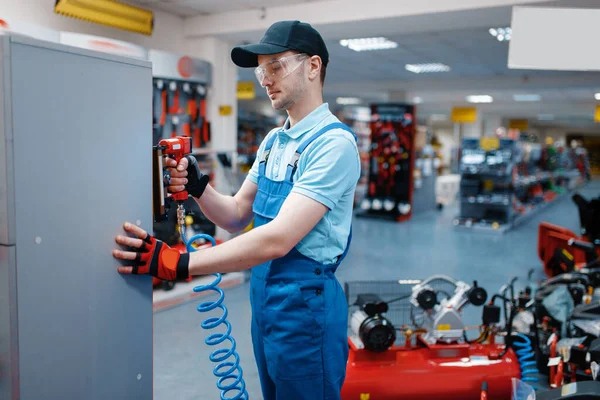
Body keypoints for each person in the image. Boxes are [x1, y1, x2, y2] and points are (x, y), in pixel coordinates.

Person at [113, 20, 360, 400]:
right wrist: (199, 187)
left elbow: (278, 239)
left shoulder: (333, 145)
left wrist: (179, 264)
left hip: (306, 305)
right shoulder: (275, 141)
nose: (265, 78)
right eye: (262, 69)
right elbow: (236, 214)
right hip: (265, 300)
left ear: (313, 67)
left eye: (276, 66)